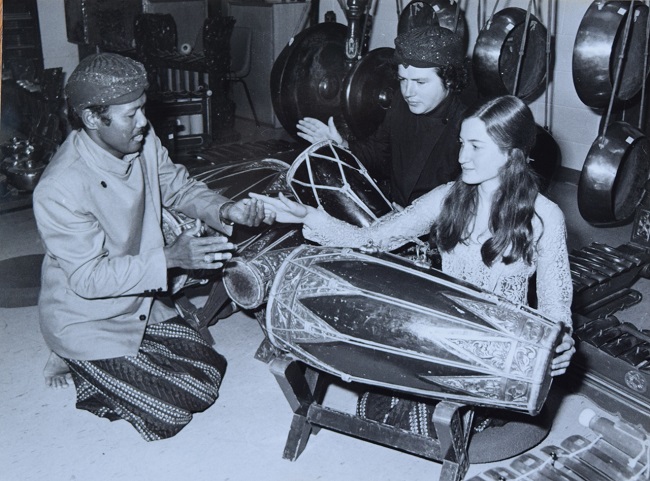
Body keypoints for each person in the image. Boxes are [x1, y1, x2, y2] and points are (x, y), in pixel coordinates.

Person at [252, 95, 575, 437]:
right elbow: (372, 239)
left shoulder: (545, 217)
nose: (462, 157)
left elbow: (555, 301)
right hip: (439, 338)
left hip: (502, 356)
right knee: (380, 404)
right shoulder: (448, 197)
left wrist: (561, 340)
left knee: (432, 418)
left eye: (476, 147)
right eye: (461, 143)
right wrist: (309, 216)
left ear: (512, 154)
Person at [33, 53, 268, 441]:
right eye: (131, 114)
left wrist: (226, 209)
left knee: (211, 369)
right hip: (87, 315)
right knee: (174, 410)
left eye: (142, 109)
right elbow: (88, 279)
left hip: (139, 299)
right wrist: (171, 257)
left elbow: (178, 187)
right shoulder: (59, 188)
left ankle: (110, 366)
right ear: (92, 118)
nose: (143, 121)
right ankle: (74, 357)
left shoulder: (138, 139)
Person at [296, 25, 469, 208]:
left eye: (420, 82)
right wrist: (341, 145)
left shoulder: (468, 122)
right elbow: (378, 153)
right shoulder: (401, 103)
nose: (408, 92)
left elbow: (468, 202)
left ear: (449, 79)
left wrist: (415, 219)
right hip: (395, 210)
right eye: (403, 80)